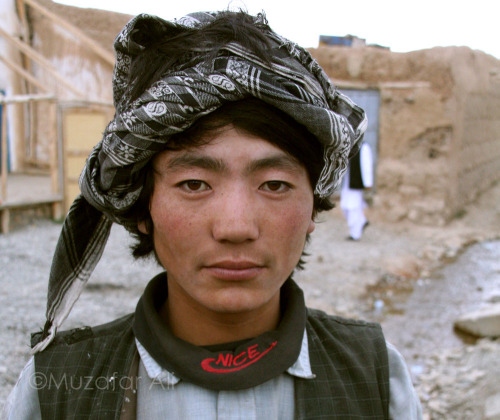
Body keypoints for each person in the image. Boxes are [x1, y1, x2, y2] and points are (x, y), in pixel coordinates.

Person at [2, 10, 422, 419]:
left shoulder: (376, 376)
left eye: (274, 184)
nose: (236, 227)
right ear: (143, 207)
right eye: (194, 185)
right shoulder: (57, 390)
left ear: (313, 203)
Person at [340, 142, 374, 241]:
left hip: (356, 183)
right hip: (347, 183)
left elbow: (366, 166)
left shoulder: (363, 147)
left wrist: (368, 184)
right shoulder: (347, 147)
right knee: (345, 206)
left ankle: (355, 234)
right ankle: (362, 221)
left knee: (354, 207)